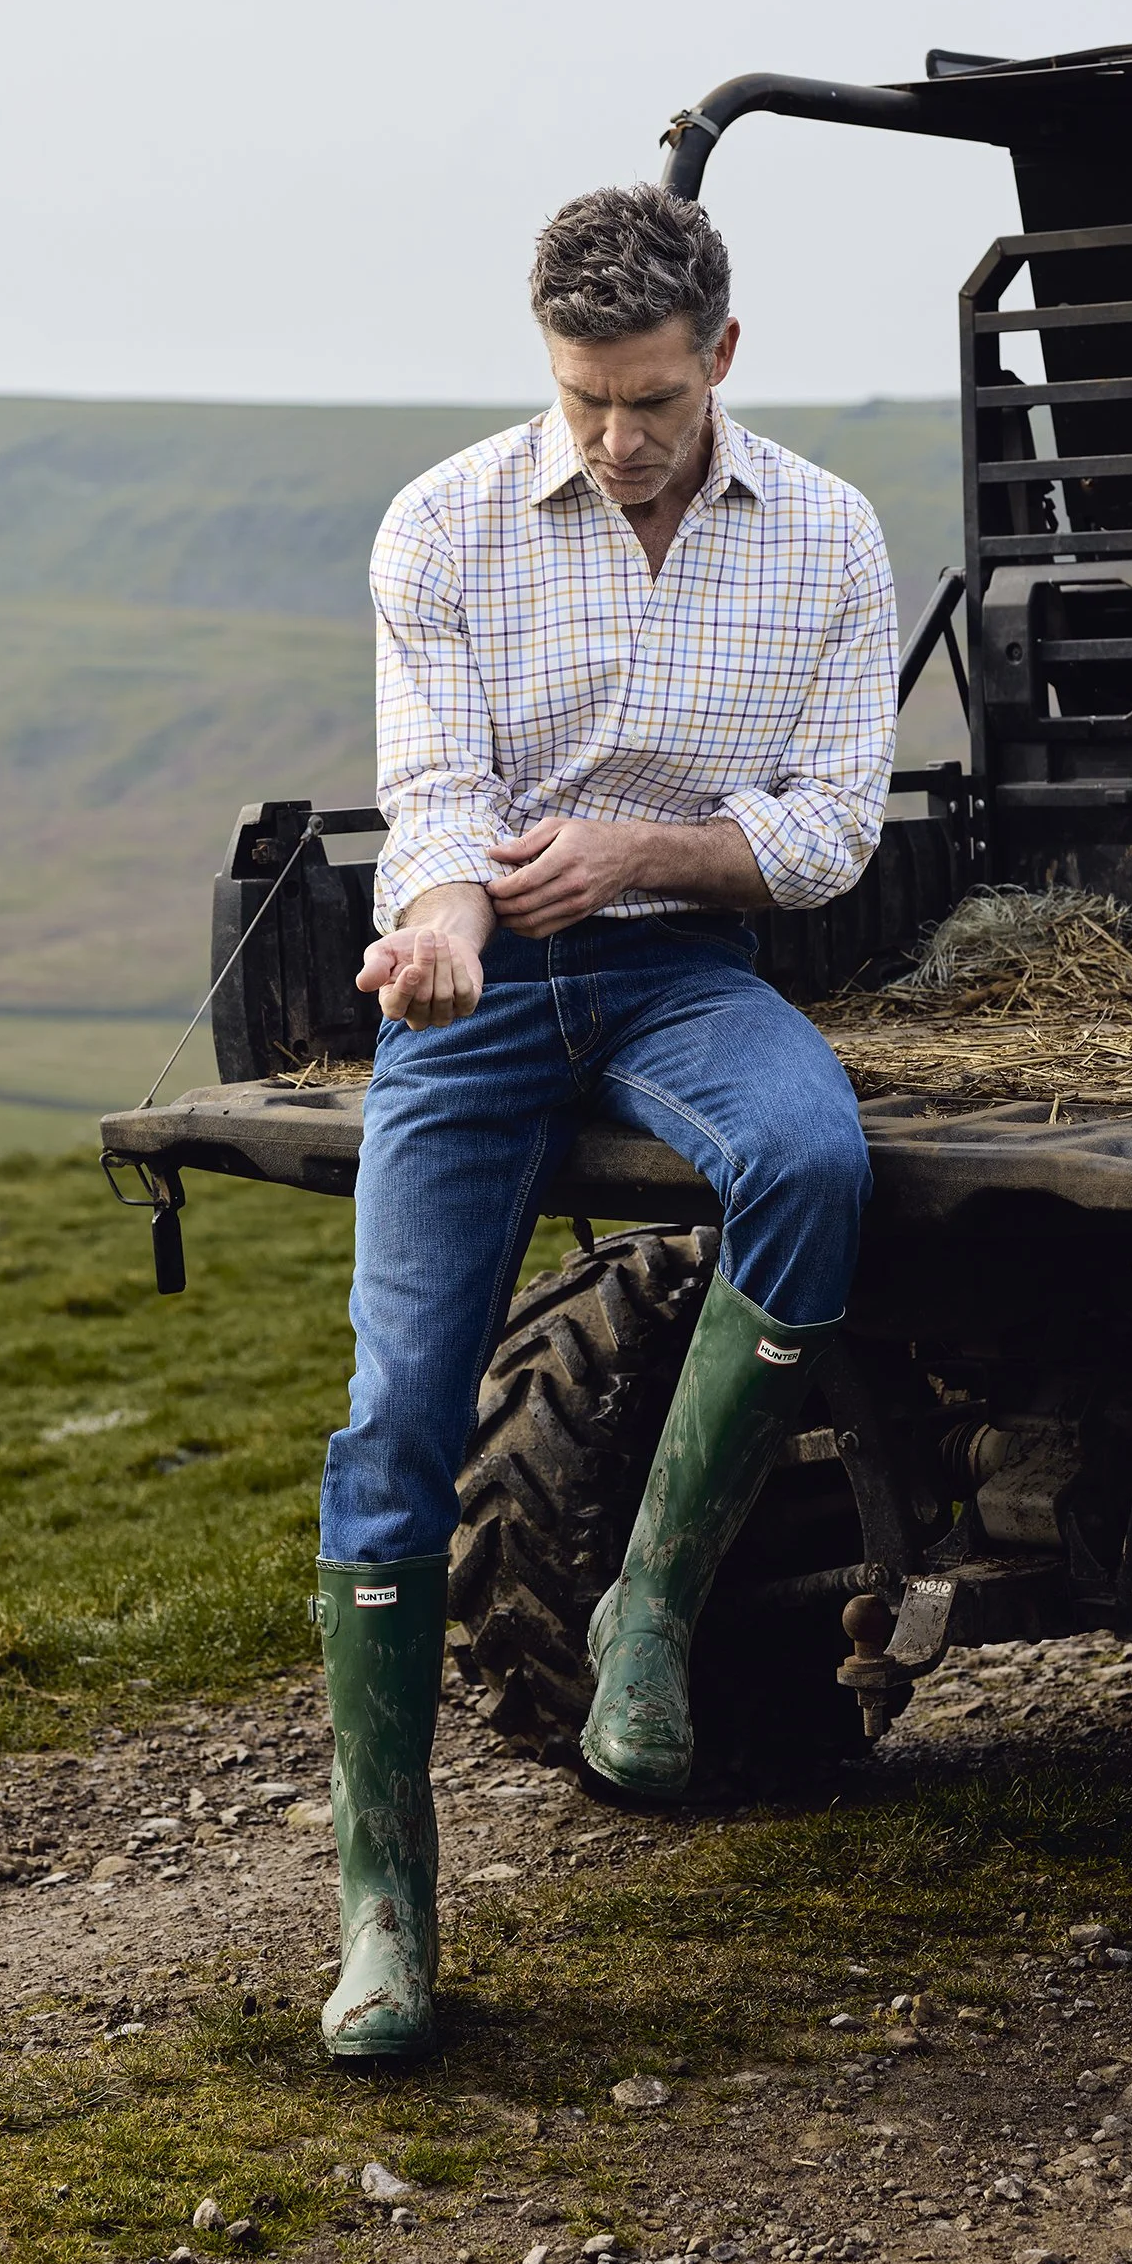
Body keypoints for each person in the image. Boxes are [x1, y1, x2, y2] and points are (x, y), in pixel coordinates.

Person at [313, 184, 899, 2060]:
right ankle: (384, 1916)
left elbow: (828, 832)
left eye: (647, 397)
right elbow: (430, 795)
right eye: (583, 399)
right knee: (399, 1405)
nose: (617, 438)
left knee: (813, 1163)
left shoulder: (823, 534)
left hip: (680, 965)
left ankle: (646, 1618)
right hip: (483, 993)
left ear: (718, 357)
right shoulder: (443, 524)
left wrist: (646, 850)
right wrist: (448, 925)